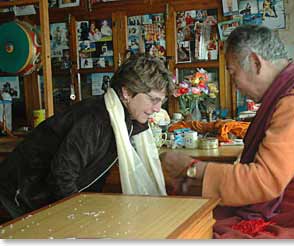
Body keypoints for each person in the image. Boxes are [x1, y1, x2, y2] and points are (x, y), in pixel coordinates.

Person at [160, 24, 294, 238]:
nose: (234, 84)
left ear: (256, 63)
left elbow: (264, 181)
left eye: (233, 73)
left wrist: (190, 168)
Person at [0, 53, 174, 220]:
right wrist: (81, 216)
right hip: (20, 192)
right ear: (127, 92)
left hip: (46, 193)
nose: (158, 108)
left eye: (161, 101)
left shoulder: (124, 117)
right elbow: (62, 176)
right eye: (153, 100)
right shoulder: (95, 120)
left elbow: (96, 171)